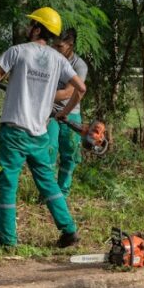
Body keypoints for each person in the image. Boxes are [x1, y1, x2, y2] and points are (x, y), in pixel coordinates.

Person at [0, 7, 86, 248]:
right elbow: (80, 89)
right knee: (48, 183)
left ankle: (7, 239)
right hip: (39, 132)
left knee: (8, 184)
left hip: (14, 131)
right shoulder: (59, 60)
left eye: (32, 24)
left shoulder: (17, 52)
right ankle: (69, 230)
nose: (28, 27)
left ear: (37, 29)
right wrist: (62, 112)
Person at [48, 29, 88, 197]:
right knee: (49, 150)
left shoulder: (79, 66)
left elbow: (68, 93)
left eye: (59, 46)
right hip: (49, 112)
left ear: (70, 45)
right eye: (54, 45)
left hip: (70, 112)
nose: (55, 49)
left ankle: (63, 192)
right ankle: (48, 192)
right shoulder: (50, 59)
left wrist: (38, 94)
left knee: (69, 154)